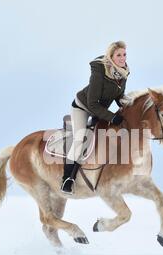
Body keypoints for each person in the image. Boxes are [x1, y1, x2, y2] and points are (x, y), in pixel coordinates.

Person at [61, 41, 130, 194]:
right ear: (111, 56)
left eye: (124, 54)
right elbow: (92, 104)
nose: (122, 58)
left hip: (100, 110)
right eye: (119, 55)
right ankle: (67, 179)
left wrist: (127, 102)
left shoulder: (124, 72)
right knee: (80, 139)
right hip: (83, 107)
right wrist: (112, 117)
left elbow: (118, 95)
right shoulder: (99, 71)